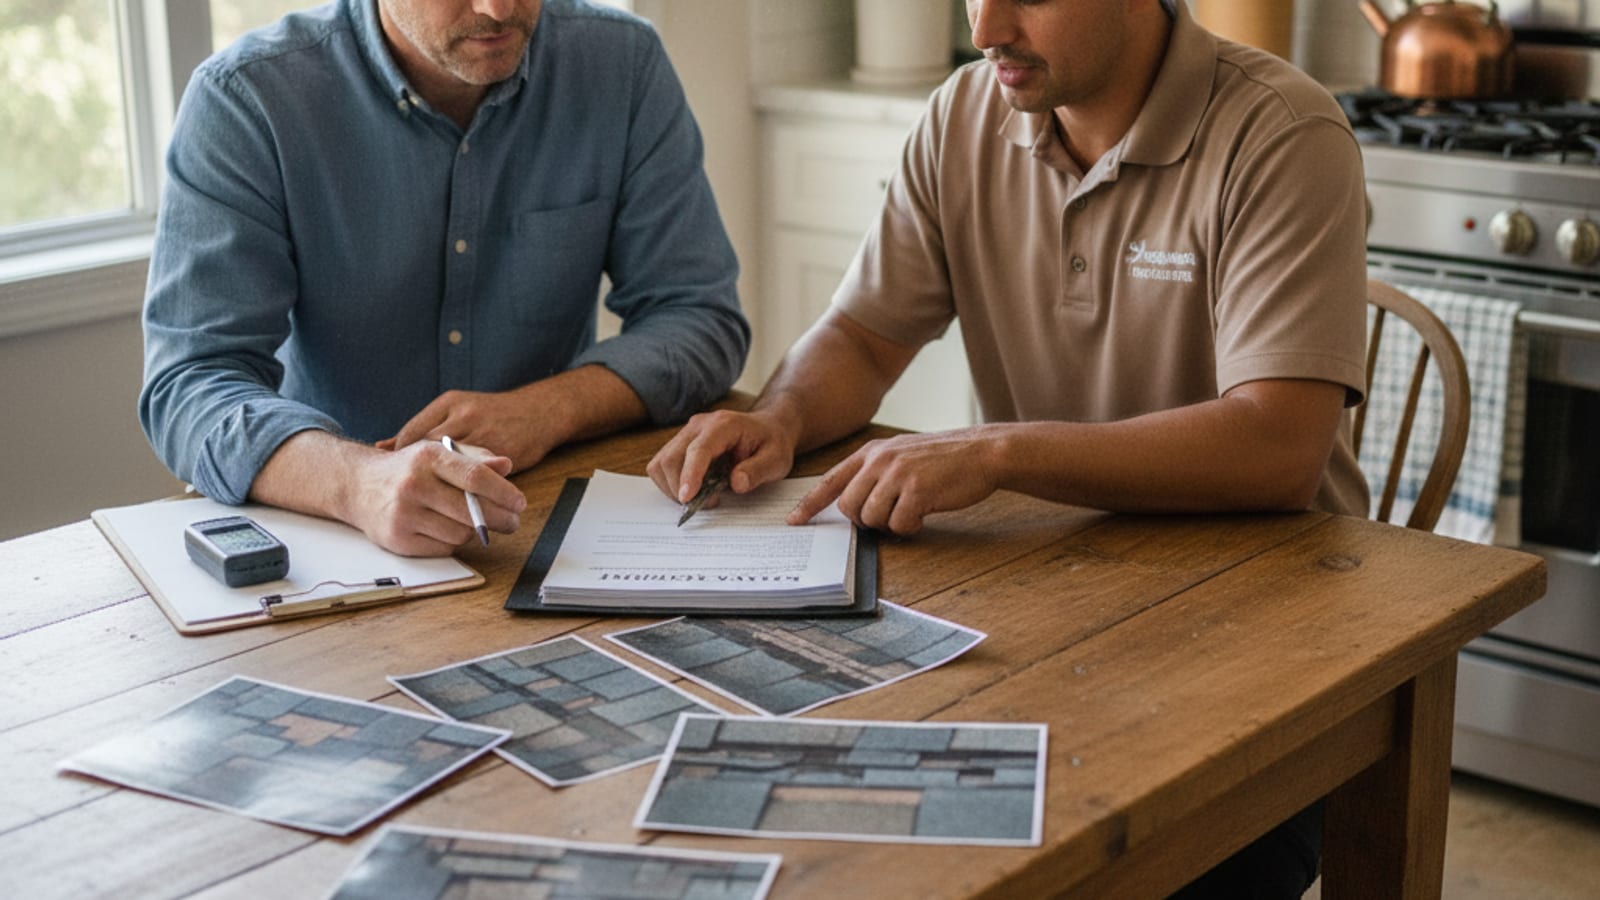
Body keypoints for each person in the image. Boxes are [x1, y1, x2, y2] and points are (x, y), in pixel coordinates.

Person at [648, 0, 1368, 896]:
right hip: (1050, 613)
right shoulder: (965, 111)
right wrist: (783, 416)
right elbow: (867, 336)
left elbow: (1280, 445)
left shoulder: (1283, 132)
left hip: (1264, 655)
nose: (985, 26)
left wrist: (996, 455)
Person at [140, 0, 749, 557]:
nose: (498, 9)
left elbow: (700, 316)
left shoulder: (622, 63)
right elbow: (190, 382)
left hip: (550, 521)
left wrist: (549, 409)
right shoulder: (248, 98)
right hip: (335, 534)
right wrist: (357, 482)